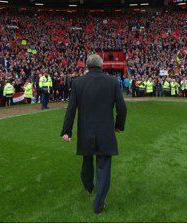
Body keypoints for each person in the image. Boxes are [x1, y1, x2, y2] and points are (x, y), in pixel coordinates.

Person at [60, 54, 127, 215]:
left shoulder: (78, 82)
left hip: (86, 132)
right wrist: (119, 126)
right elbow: (122, 107)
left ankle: (89, 187)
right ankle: (98, 204)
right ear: (102, 65)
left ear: (87, 66)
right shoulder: (112, 82)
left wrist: (66, 131)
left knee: (87, 160)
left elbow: (71, 109)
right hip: (105, 132)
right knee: (103, 167)